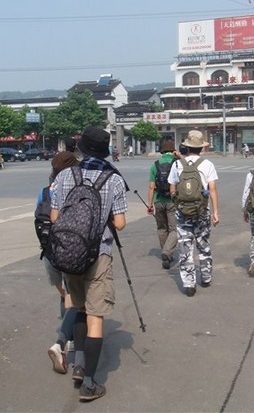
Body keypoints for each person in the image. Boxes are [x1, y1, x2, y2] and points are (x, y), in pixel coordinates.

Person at [50, 126, 128, 402]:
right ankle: (91, 383)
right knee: (95, 317)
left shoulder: (65, 176)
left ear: (81, 148)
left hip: (69, 253)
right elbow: (119, 223)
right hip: (99, 254)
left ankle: (79, 364)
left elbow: (55, 217)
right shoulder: (114, 179)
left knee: (79, 307)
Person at [40, 146, 79, 376]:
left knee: (65, 296)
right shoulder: (74, 188)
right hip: (69, 251)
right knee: (74, 298)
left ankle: (67, 341)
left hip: (48, 252)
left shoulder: (44, 191)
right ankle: (62, 343)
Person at [167, 130, 219, 297]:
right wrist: (215, 212)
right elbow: (212, 189)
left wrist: (179, 205)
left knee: (185, 247)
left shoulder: (177, 165)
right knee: (203, 245)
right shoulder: (208, 164)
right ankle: (205, 277)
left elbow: (172, 189)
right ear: (201, 148)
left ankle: (189, 284)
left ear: (187, 147)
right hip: (202, 212)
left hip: (183, 212)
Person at [146, 141, 177, 269]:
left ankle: (166, 254)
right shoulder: (176, 163)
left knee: (162, 228)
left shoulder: (155, 165)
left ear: (162, 151)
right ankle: (167, 252)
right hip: (172, 201)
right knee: (174, 229)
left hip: (158, 201)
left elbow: (151, 187)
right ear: (173, 150)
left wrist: (150, 205)